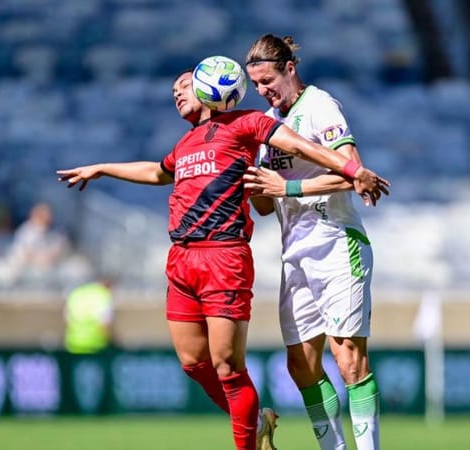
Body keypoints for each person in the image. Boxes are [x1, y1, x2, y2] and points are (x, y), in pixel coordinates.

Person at [57, 66, 389, 450]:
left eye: (185, 85)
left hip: (223, 255)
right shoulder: (186, 143)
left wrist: (352, 169)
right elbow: (157, 172)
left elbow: (299, 146)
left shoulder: (246, 124)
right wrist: (102, 168)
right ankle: (257, 420)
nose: (176, 93)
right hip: (181, 257)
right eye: (173, 89)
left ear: (210, 88)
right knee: (193, 362)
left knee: (228, 367)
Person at [243, 34, 389, 450]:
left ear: (290, 69)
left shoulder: (319, 106)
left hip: (336, 243)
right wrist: (250, 176)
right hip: (295, 253)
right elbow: (265, 207)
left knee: (348, 359)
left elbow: (353, 172)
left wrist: (286, 187)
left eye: (268, 81)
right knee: (301, 364)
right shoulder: (268, 125)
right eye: (255, 85)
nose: (263, 91)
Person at [64, 276, 115, 354]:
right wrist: (112, 341)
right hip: (96, 345)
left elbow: (67, 321)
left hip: (73, 344)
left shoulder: (76, 293)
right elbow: (104, 324)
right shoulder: (103, 296)